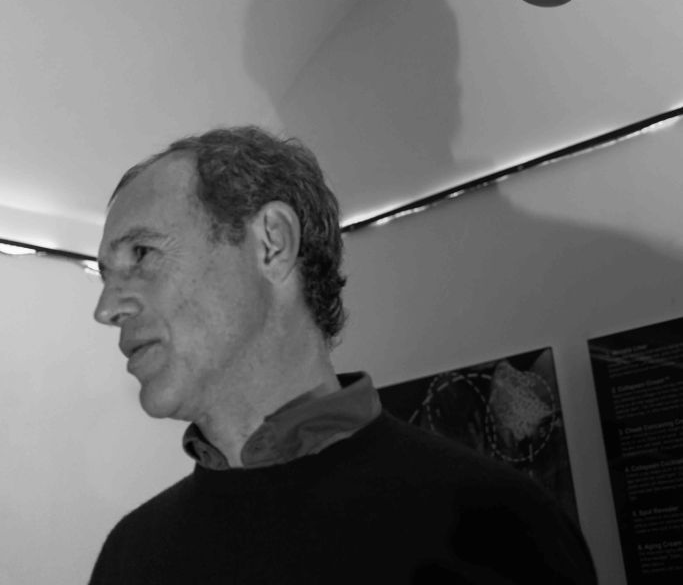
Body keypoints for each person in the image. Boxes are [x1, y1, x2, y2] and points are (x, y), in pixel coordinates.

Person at [89, 126, 598, 584]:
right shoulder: (130, 556)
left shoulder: (497, 527)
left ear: (271, 243)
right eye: (105, 277)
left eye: (142, 254)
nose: (106, 308)